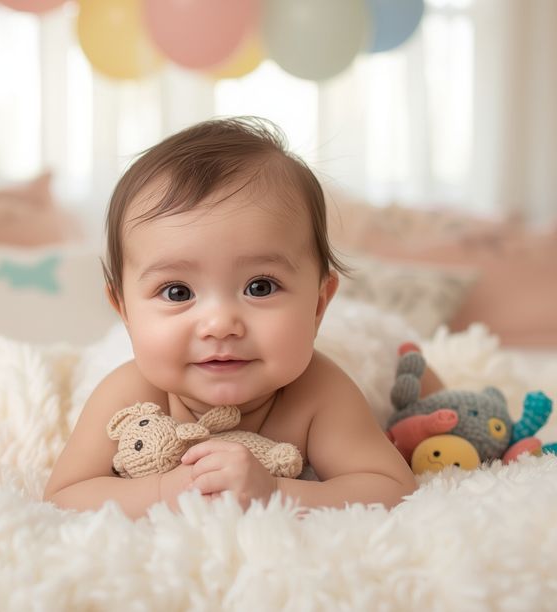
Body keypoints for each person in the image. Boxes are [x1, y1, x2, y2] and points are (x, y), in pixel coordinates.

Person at [44, 117, 440, 518]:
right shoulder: (129, 394)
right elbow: (66, 494)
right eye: (177, 292)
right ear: (124, 312)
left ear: (319, 304)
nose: (219, 324)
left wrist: (275, 493)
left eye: (260, 287)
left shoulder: (319, 393)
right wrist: (165, 490)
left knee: (400, 359)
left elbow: (392, 488)